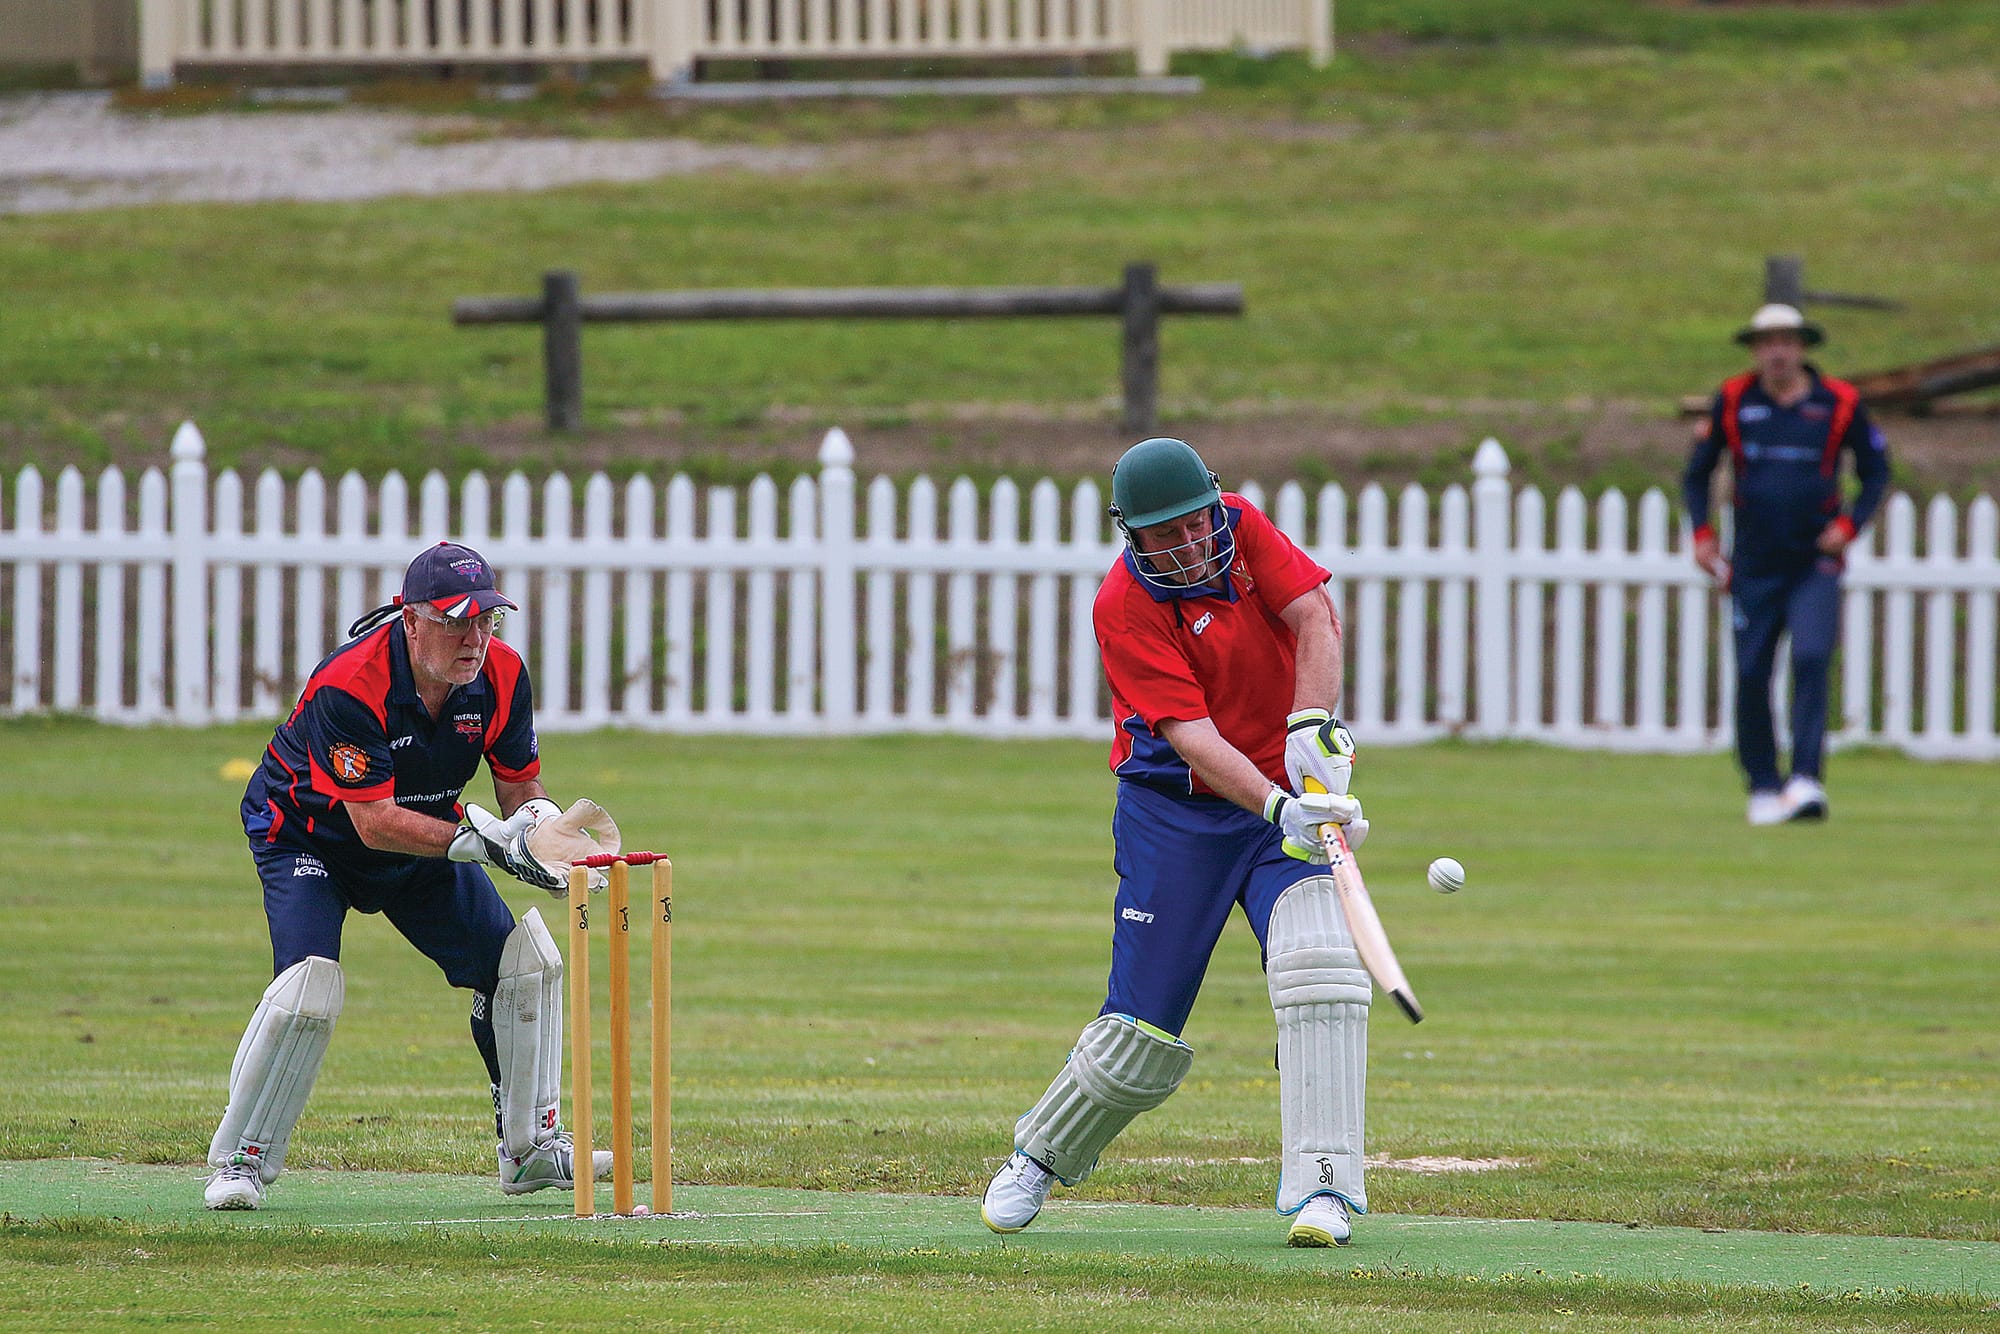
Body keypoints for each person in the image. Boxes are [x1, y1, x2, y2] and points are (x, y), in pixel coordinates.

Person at [980, 437, 1375, 1248]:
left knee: (1322, 971)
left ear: (1214, 505)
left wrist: (1313, 733)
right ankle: (1039, 1158)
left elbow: (1316, 619)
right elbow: (1192, 737)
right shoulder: (1122, 604)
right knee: (1140, 1032)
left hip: (1280, 804)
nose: (1189, 546)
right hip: (1176, 814)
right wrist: (1278, 806)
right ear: (1134, 535)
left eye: (1196, 524)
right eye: (1164, 535)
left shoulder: (1245, 529)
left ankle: (1325, 1190)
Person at [202, 541, 608, 1209]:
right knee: (309, 986)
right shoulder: (350, 683)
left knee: (523, 965)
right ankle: (240, 1162)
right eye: (455, 621)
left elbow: (519, 784)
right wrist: (485, 846)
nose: (473, 638)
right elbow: (372, 823)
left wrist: (542, 830)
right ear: (411, 619)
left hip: (425, 836)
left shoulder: (502, 673)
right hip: (310, 835)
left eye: (486, 620)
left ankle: (530, 1152)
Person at [1683, 303, 1890, 825]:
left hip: (1813, 561)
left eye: (1786, 341)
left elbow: (1876, 470)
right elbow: (1697, 474)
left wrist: (1849, 526)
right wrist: (1703, 535)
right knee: (1752, 671)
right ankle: (1763, 784)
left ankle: (1805, 780)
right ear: (1755, 350)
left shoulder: (1840, 402)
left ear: (1801, 347)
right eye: (1766, 342)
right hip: (1753, 563)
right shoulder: (1733, 400)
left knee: (1813, 657)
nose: (1777, 351)